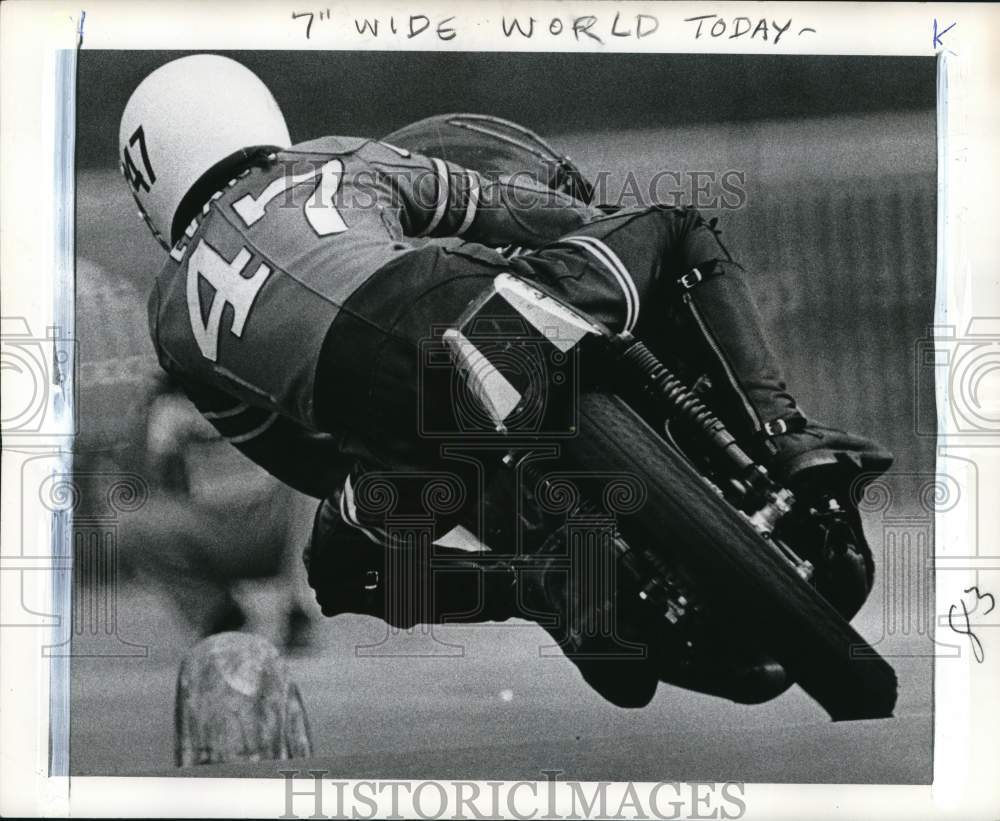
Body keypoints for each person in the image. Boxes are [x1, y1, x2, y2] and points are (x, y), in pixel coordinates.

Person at [120, 54, 892, 707]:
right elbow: (507, 211)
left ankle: (549, 587)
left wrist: (414, 486)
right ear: (251, 115)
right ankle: (783, 438)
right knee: (677, 228)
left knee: (340, 568)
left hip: (398, 435)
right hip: (472, 314)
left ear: (148, 180)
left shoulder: (170, 322)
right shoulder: (324, 159)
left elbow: (304, 465)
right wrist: (588, 226)